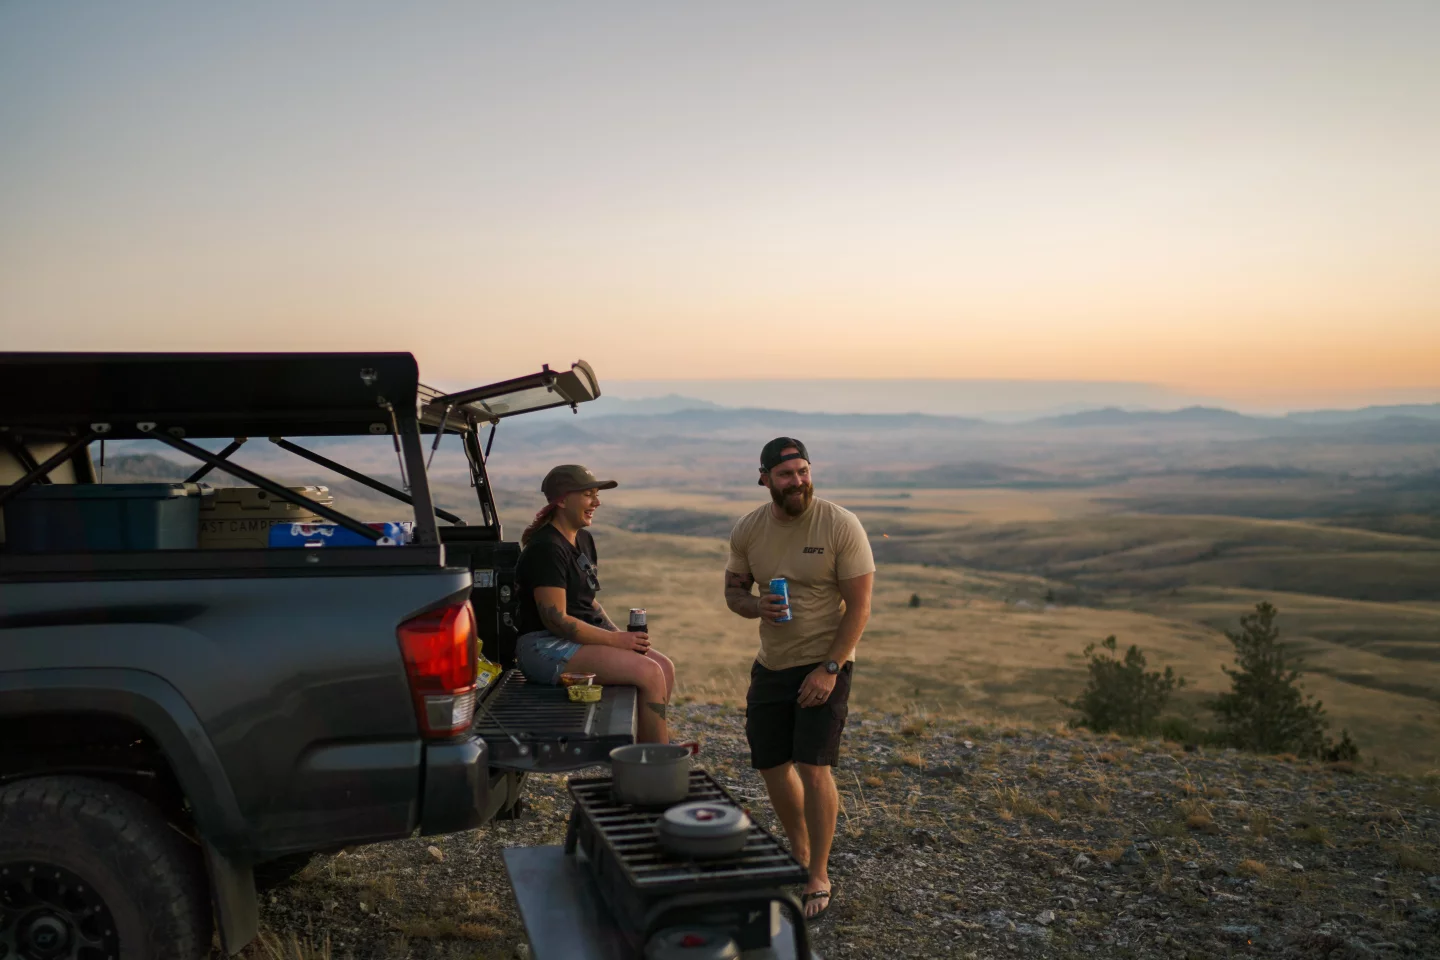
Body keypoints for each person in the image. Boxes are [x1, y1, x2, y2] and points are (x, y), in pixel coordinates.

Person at [723, 437, 874, 921]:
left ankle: (818, 874)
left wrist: (830, 669)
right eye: (786, 475)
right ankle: (800, 851)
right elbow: (734, 591)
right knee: (770, 763)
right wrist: (754, 605)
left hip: (825, 661)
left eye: (804, 471)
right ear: (764, 477)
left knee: (813, 766)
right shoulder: (749, 529)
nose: (798, 482)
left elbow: (860, 607)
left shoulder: (839, 524)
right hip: (772, 662)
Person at [514, 464, 677, 743]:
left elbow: (588, 604)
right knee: (649, 673)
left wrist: (617, 636)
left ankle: (645, 746)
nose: (597, 502)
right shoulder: (546, 548)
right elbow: (557, 620)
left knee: (664, 666)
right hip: (543, 646)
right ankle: (655, 760)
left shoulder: (583, 540)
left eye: (596, 495)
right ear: (563, 500)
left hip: (573, 641)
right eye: (589, 495)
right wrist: (616, 643)